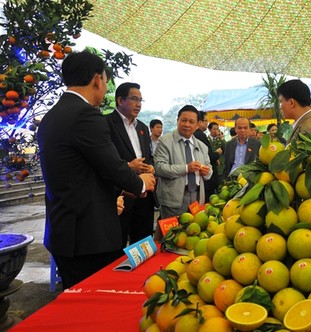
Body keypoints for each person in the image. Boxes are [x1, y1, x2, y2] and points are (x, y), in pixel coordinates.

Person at [37, 51, 156, 289]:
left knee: (76, 300)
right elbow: (111, 165)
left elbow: (80, 173)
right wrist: (141, 183)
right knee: (95, 301)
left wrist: (114, 195)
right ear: (96, 80)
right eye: (105, 80)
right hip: (89, 237)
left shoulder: (52, 116)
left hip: (65, 231)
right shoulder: (85, 116)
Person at [105, 82, 156, 248]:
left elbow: (148, 156)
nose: (139, 104)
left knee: (143, 244)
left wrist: (150, 167)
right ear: (120, 100)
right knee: (117, 246)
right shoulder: (106, 124)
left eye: (141, 100)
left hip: (144, 196)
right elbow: (104, 162)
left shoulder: (141, 127)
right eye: (134, 99)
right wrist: (128, 166)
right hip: (121, 196)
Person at [154, 105, 212, 227]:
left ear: (197, 125)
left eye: (191, 122)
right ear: (177, 121)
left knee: (193, 232)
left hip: (196, 198)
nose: (187, 124)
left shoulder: (202, 146)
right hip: (173, 199)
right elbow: (159, 168)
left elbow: (208, 167)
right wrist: (186, 168)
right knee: (173, 236)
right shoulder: (165, 141)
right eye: (183, 120)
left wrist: (207, 172)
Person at [277, 79, 311, 151]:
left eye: (281, 101)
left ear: (291, 102)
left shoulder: (306, 130)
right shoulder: (307, 122)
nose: (280, 107)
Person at [193, 111, 220, 196]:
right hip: (205, 175)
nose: (207, 123)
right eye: (205, 121)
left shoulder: (195, 135)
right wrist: (218, 153)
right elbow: (209, 156)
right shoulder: (200, 135)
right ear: (199, 122)